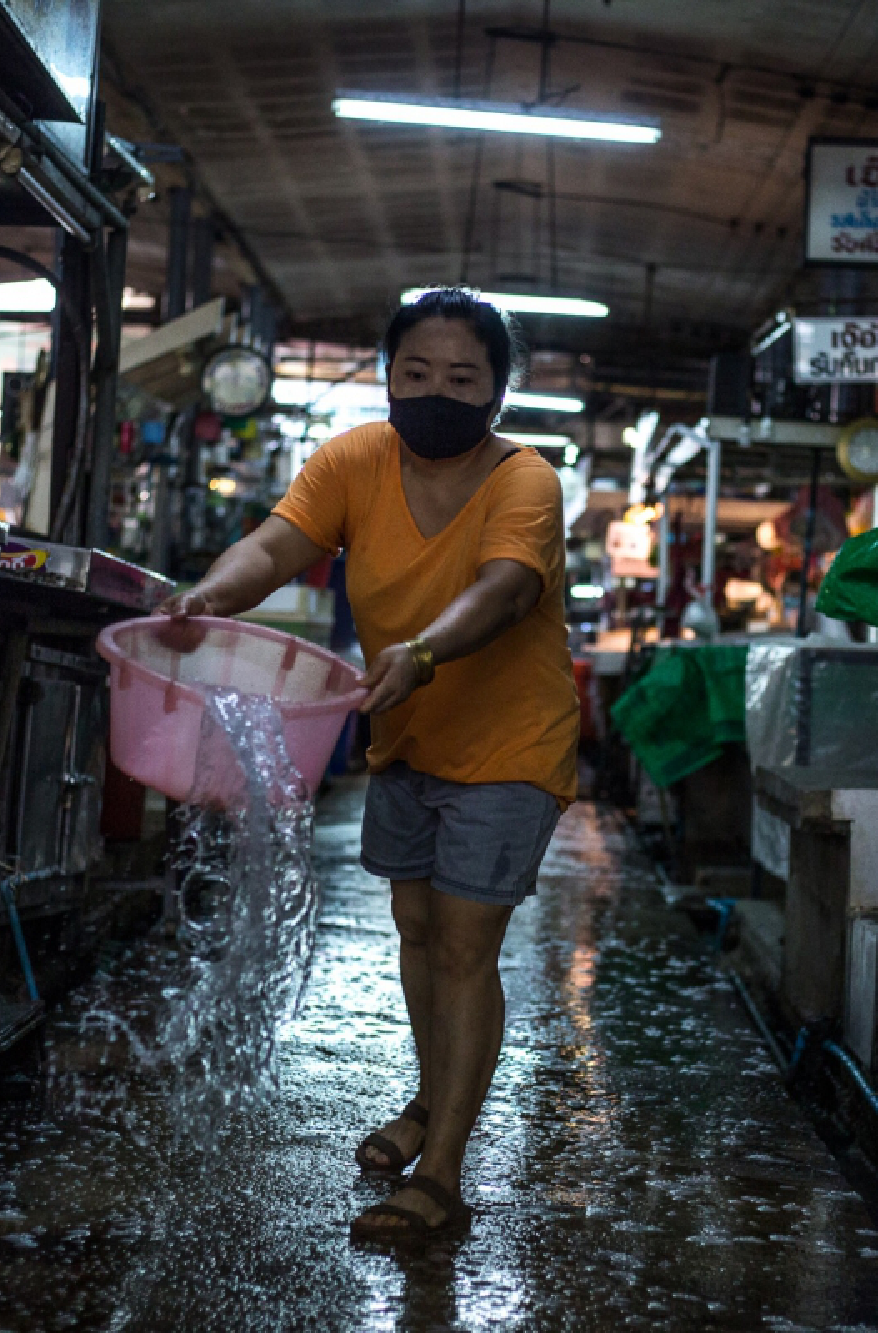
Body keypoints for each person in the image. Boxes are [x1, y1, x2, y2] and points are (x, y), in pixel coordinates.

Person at [158, 287, 579, 1242]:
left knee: (468, 945)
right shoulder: (355, 458)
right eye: (416, 371)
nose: (436, 390)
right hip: (406, 734)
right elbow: (279, 541)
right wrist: (211, 597)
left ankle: (444, 1171)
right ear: (389, 376)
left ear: (498, 394)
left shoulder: (527, 481)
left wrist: (423, 653)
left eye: (463, 377)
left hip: (510, 742)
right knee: (420, 933)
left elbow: (506, 591)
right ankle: (434, 1100)